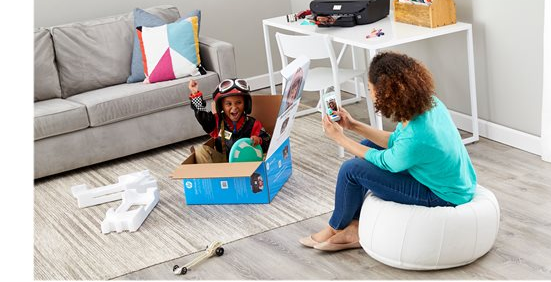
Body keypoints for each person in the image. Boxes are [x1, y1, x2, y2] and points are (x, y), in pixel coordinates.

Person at [300, 51, 477, 251]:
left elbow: (387, 161)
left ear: (386, 92)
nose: (370, 94)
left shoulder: (417, 135)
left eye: (370, 89)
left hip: (442, 196)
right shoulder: (428, 105)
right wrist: (352, 125)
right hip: (449, 179)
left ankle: (335, 228)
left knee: (351, 169)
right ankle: (354, 225)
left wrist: (340, 138)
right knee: (366, 145)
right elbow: (395, 141)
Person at [189, 78, 271, 163]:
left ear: (246, 104)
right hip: (223, 165)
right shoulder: (217, 121)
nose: (234, 107)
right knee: (200, 151)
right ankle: (211, 172)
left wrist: (259, 140)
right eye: (228, 104)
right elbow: (202, 116)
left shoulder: (253, 124)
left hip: (246, 164)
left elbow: (267, 140)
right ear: (221, 106)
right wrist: (195, 94)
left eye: (239, 102)